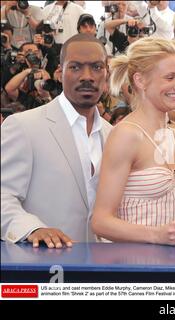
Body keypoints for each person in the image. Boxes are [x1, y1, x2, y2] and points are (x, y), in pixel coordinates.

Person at [91, 38, 175, 245]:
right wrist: (157, 235)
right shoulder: (127, 135)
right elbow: (101, 222)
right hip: (133, 267)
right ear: (140, 80)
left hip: (171, 266)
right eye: (169, 77)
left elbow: (173, 198)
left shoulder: (171, 132)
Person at [1, 34, 113, 247]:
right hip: (44, 268)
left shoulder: (112, 134)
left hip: (104, 269)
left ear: (106, 73)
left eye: (97, 67)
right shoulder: (24, 126)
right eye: (75, 67)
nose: (87, 76)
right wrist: (33, 228)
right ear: (60, 72)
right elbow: (2, 195)